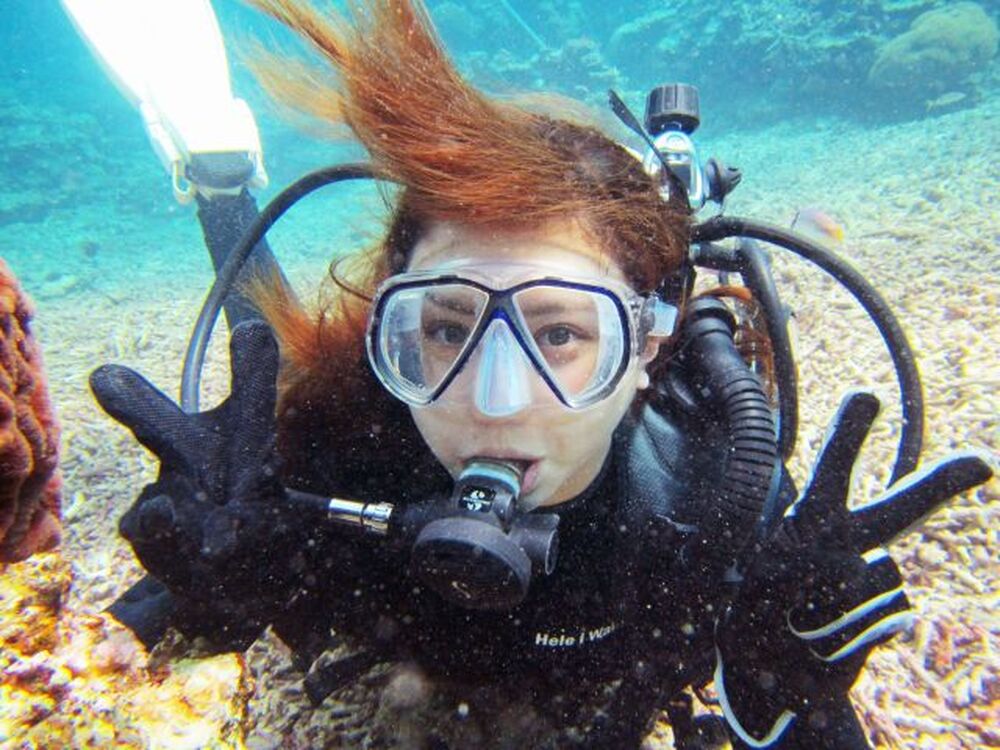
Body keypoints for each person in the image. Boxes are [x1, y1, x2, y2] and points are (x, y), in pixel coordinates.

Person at [81, 1, 992, 747]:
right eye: (446, 329)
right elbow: (101, 668)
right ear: (397, 328)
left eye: (559, 334)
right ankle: (221, 181)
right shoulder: (337, 450)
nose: (495, 401)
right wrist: (206, 595)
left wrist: (787, 693)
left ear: (645, 345)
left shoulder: (713, 485)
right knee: (264, 340)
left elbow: (790, 712)